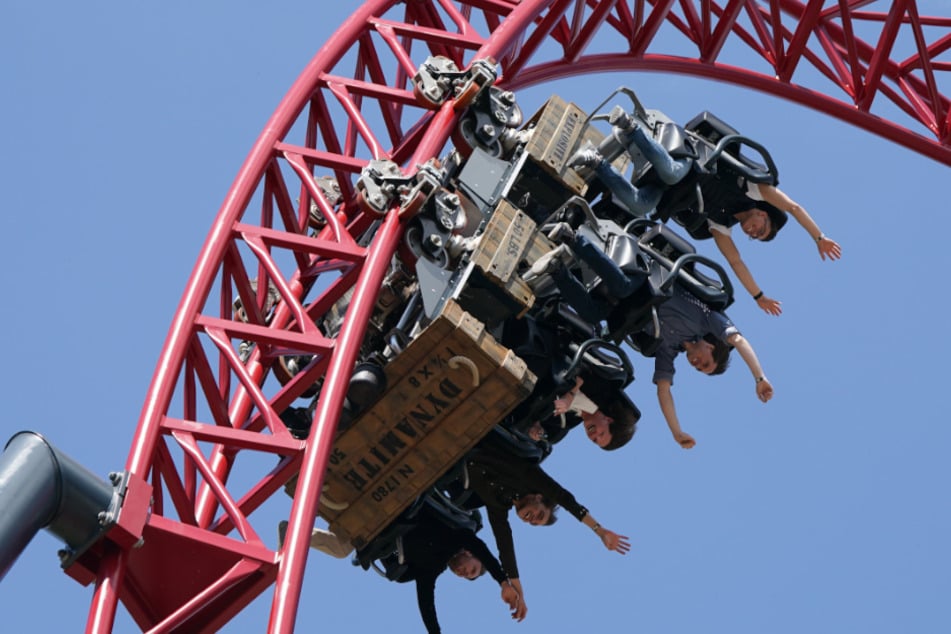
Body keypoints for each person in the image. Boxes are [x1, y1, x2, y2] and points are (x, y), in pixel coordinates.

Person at [569, 133, 842, 315]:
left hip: (669, 187)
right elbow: (793, 207)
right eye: (761, 228)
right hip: (689, 160)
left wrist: (758, 296)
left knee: (641, 205)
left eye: (755, 237)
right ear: (763, 213)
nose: (754, 232)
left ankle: (596, 161)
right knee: (673, 174)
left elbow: (736, 262)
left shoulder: (721, 226)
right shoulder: (753, 189)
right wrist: (819, 237)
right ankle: (632, 128)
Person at [461, 431, 631, 617]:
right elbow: (564, 498)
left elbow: (505, 545)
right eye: (540, 514)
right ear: (539, 497)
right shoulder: (527, 475)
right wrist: (599, 530)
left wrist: (518, 592)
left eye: (534, 523)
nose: (533, 519)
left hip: (453, 457)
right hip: (475, 434)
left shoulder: (498, 506)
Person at [649, 286, 773, 449]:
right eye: (705, 363)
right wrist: (759, 378)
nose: (698, 365)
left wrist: (677, 432)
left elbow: (663, 390)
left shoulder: (668, 350)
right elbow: (737, 340)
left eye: (699, 369)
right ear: (710, 347)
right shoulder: (704, 319)